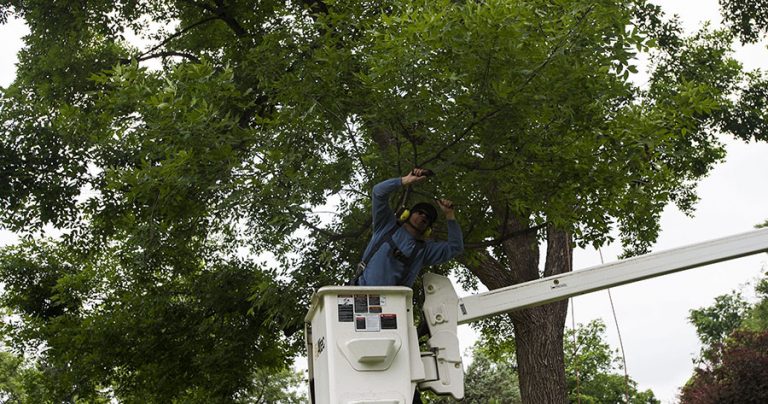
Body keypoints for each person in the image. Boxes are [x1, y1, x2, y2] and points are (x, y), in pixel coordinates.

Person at [356, 168, 463, 288]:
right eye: (420, 212)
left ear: (428, 228)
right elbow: (378, 192)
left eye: (428, 217)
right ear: (407, 214)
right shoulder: (385, 225)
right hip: (359, 293)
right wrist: (404, 180)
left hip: (393, 304)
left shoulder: (424, 251)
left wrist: (450, 215)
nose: (424, 216)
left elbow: (456, 247)